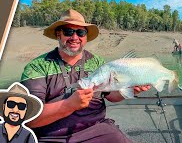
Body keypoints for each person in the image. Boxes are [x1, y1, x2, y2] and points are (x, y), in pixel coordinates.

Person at [20, 9, 151, 142]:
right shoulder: (37, 67)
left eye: (81, 32)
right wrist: (68, 105)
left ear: (86, 37)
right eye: (68, 32)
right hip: (51, 136)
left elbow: (111, 95)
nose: (75, 37)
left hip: (97, 129)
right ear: (58, 34)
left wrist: (132, 90)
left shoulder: (98, 63)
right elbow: (29, 118)